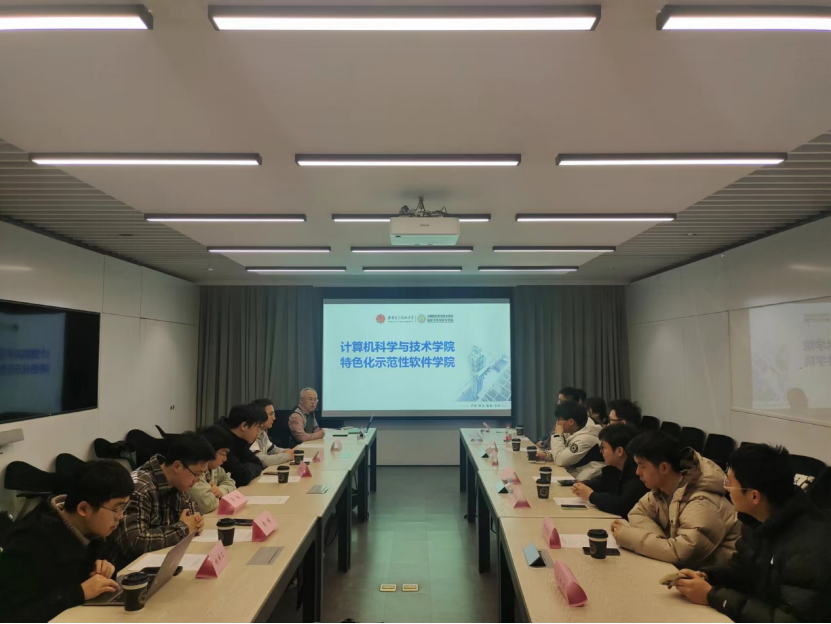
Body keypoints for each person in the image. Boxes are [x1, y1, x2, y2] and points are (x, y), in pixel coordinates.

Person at [674, 444, 831, 623]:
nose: (727, 489)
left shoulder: (809, 547)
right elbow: (743, 570)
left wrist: (713, 596)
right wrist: (709, 577)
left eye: (729, 483)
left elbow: (788, 619)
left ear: (754, 496)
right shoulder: (756, 521)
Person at [0, 460, 134, 623]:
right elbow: (12, 616)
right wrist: (79, 593)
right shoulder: (30, 543)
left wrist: (107, 568)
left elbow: (107, 566)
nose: (120, 516)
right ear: (83, 509)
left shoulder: (96, 528)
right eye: (116, 509)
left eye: (123, 508)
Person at [612, 431, 740, 569]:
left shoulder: (701, 502)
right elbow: (638, 512)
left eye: (642, 466)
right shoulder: (662, 490)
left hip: (717, 576)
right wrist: (661, 544)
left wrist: (627, 535)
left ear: (664, 468)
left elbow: (680, 555)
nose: (637, 472)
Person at [110, 432, 214, 571]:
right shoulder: (140, 488)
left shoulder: (178, 482)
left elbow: (193, 512)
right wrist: (183, 528)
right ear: (177, 466)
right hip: (132, 572)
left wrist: (196, 521)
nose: (198, 480)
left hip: (164, 562)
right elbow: (135, 543)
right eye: (197, 474)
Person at [572, 423, 647, 518]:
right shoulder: (614, 468)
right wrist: (584, 484)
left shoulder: (637, 473)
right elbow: (601, 483)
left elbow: (622, 505)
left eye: (604, 447)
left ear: (619, 451)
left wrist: (591, 496)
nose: (601, 451)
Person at [536, 401, 604, 481]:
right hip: (577, 474)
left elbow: (560, 460)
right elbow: (565, 451)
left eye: (559, 419)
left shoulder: (586, 438)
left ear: (571, 421)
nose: (557, 423)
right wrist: (546, 455)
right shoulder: (576, 429)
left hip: (587, 480)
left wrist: (557, 435)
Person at [190, 426, 238, 514]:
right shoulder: (194, 470)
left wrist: (221, 491)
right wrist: (222, 497)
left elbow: (231, 483)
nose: (225, 459)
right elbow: (207, 504)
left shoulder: (215, 469)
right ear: (210, 450)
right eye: (223, 453)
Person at [219, 403, 269, 487]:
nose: (259, 432)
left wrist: (246, 468)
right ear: (244, 426)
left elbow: (258, 463)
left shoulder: (240, 440)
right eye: (257, 427)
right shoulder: (220, 440)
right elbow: (241, 476)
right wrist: (247, 468)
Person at [250, 398, 294, 467]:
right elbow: (262, 460)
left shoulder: (262, 433)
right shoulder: (250, 435)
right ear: (260, 415)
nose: (274, 418)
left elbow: (273, 450)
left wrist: (288, 451)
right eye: (271, 414)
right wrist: (287, 456)